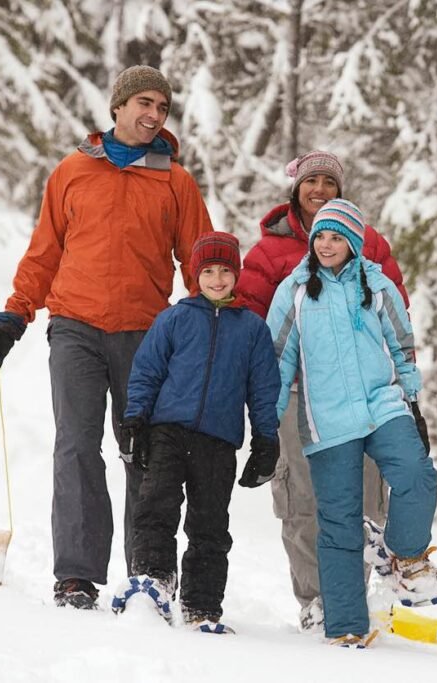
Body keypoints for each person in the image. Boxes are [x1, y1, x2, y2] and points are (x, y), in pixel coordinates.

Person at [0, 65, 213, 609]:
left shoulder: (175, 181)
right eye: (143, 103)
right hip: (75, 326)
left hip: (147, 334)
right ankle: (76, 575)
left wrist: (207, 323)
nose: (153, 115)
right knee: (76, 446)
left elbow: (199, 258)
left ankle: (146, 572)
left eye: (162, 108)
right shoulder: (73, 171)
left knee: (143, 453)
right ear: (119, 107)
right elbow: (44, 253)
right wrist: (12, 320)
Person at [238, 149, 419, 632]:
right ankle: (318, 601)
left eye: (329, 182)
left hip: (366, 397)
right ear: (295, 189)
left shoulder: (369, 243)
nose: (319, 189)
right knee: (303, 503)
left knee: (366, 500)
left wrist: (406, 390)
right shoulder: (269, 254)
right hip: (297, 396)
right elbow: (254, 329)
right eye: (311, 181)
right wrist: (261, 407)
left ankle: (359, 597)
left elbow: (396, 314)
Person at [266, 199, 437, 647]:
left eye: (336, 238)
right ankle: (346, 626)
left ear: (352, 242)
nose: (327, 245)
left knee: (418, 476)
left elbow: (402, 344)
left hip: (382, 406)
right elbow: (277, 358)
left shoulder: (377, 284)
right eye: (320, 238)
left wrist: (413, 401)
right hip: (326, 418)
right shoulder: (294, 290)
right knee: (339, 521)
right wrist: (267, 425)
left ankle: (406, 558)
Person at [111, 232, 280, 633]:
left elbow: (263, 390)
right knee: (155, 507)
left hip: (219, 441)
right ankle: (153, 581)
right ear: (195, 274)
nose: (217, 279)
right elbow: (147, 372)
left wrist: (266, 440)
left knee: (209, 525)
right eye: (209, 271)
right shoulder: (174, 318)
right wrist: (135, 420)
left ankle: (201, 605)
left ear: (236, 274)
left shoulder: (252, 330)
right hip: (167, 431)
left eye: (225, 271)